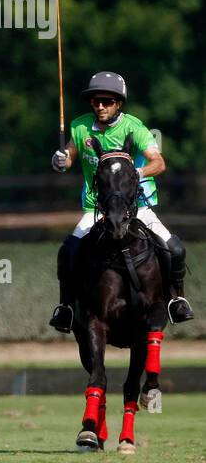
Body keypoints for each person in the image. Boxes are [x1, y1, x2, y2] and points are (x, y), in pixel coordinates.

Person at [48, 70, 193, 331]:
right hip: (97, 208)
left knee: (176, 249)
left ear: (118, 103)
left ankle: (176, 299)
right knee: (67, 252)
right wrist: (60, 160)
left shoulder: (134, 128)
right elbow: (69, 156)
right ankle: (66, 308)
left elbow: (158, 163)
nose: (100, 106)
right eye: (95, 101)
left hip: (137, 205)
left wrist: (133, 174)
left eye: (106, 101)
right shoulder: (80, 127)